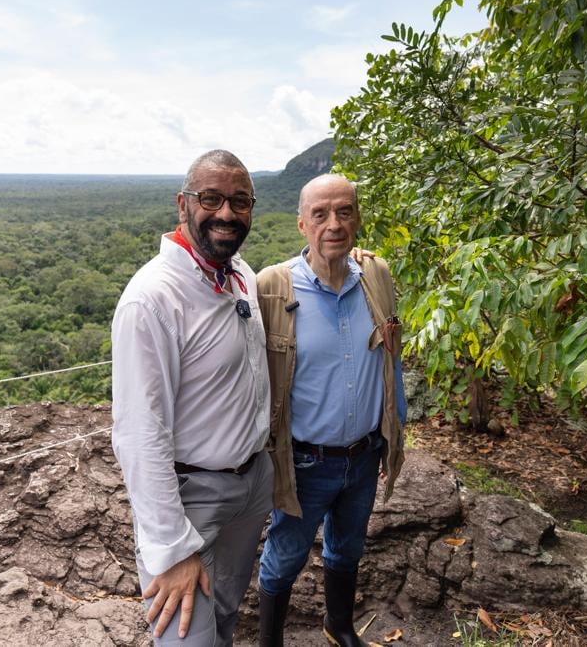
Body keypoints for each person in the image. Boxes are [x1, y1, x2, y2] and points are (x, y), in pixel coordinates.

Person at [111, 150, 273, 646]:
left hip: (250, 485)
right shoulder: (153, 299)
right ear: (183, 205)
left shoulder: (237, 273)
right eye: (211, 198)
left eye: (239, 201)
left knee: (223, 618)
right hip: (191, 498)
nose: (226, 213)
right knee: (187, 638)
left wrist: (341, 255)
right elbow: (140, 434)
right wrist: (172, 551)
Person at [255, 174, 407, 647]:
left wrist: (393, 436)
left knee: (348, 547)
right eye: (320, 214)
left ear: (358, 219)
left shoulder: (375, 277)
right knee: (284, 556)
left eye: (344, 212)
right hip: (304, 460)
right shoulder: (273, 290)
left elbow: (391, 358)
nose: (334, 224)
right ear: (302, 223)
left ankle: (339, 626)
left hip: (363, 454)